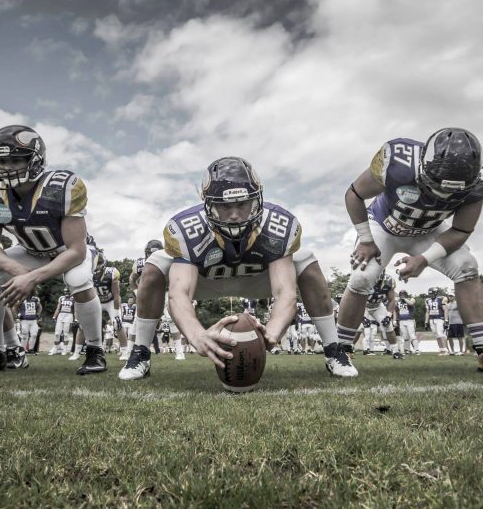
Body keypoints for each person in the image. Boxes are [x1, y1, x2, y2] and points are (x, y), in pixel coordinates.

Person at [119, 157, 350, 379]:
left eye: (242, 204)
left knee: (305, 259)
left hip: (259, 279)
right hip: (205, 280)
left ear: (256, 199)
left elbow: (285, 294)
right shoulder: (186, 230)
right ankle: (140, 352)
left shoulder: (279, 227)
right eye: (224, 206)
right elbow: (179, 294)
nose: (235, 214)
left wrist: (272, 332)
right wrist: (197, 335)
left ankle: (333, 349)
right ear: (208, 204)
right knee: (155, 264)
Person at [338, 128, 483, 374]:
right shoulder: (398, 161)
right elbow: (354, 194)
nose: (443, 195)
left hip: (428, 231)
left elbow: (460, 229)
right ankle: (339, 350)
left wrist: (425, 259)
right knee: (362, 277)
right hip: (384, 225)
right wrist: (365, 239)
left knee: (467, 266)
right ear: (424, 164)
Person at [0, 125, 103, 375]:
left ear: (35, 159)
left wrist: (32, 277)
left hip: (67, 250)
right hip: (30, 250)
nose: (6, 167)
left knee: (78, 278)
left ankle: (95, 349)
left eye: (15, 159)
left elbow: (76, 251)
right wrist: (17, 270)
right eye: (0, 161)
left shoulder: (62, 186)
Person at [91, 251, 129, 358]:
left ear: (103, 263)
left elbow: (116, 295)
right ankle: (90, 349)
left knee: (117, 323)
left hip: (110, 301)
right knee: (89, 324)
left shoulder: (111, 273)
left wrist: (116, 312)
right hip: (97, 301)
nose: (96, 266)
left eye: (99, 263)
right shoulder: (87, 274)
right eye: (95, 263)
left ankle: (125, 350)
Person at [363, 273, 398, 356]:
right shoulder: (363, 278)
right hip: (362, 305)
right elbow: (356, 299)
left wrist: (388, 316)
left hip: (377, 306)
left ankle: (395, 351)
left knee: (388, 325)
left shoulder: (388, 280)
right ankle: (345, 350)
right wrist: (363, 316)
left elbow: (392, 300)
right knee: (354, 328)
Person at [49, 291, 76, 356]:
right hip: (61, 315)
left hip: (69, 316)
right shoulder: (61, 298)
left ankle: (65, 350)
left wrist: (76, 319)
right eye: (65, 291)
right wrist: (54, 316)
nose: (66, 292)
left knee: (66, 334)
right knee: (57, 334)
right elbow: (58, 308)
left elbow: (75, 310)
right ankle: (55, 349)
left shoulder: (73, 298)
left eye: (68, 291)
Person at [394, 291, 419, 356]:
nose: (402, 296)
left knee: (412, 335)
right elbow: (395, 311)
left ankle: (416, 349)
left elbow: (411, 303)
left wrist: (404, 299)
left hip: (410, 320)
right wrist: (395, 320)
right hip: (401, 320)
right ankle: (407, 349)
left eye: (403, 294)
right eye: (401, 295)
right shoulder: (398, 302)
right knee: (405, 337)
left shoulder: (411, 299)